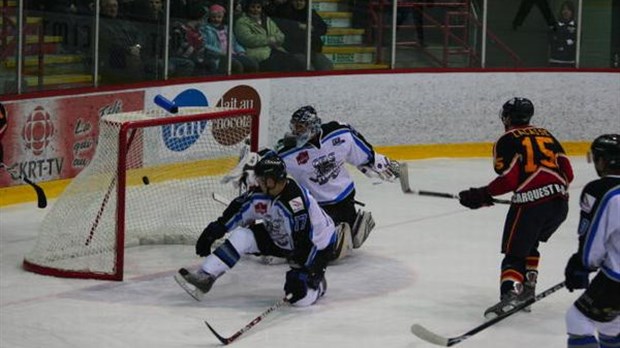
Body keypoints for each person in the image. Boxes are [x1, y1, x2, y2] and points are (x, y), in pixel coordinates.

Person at [230, 106, 401, 262]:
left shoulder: (339, 133)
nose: (296, 132)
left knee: (332, 249)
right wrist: (251, 165)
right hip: (317, 209)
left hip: (345, 200)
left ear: (313, 126)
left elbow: (364, 154)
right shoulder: (289, 151)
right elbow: (268, 162)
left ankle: (350, 227)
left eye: (301, 127)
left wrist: (380, 163)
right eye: (294, 127)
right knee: (315, 246)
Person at [457, 97, 574, 319]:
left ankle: (509, 294)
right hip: (560, 205)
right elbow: (568, 173)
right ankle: (528, 288)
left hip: (531, 206)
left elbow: (509, 180)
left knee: (513, 254)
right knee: (530, 244)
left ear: (507, 117)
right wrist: (544, 193)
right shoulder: (548, 135)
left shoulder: (507, 139)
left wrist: (482, 194)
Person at [175, 154, 335, 307]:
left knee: (300, 299)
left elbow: (304, 243)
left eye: (263, 180)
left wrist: (305, 272)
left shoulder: (295, 203)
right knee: (241, 236)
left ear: (272, 180)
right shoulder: (262, 193)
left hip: (318, 246)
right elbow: (238, 208)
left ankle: (319, 287)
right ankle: (206, 276)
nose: (259, 183)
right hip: (279, 237)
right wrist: (216, 229)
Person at [564, 134, 620, 348]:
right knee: (611, 325)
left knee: (578, 319)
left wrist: (582, 264)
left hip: (616, 278)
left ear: (604, 161)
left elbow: (593, 239)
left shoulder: (600, 190)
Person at [234, 0, 305, 72]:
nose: (256, 10)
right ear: (247, 8)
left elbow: (280, 35)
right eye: (253, 7)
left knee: (294, 62)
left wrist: (275, 39)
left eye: (258, 7)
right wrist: (268, 40)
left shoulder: (267, 20)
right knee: (277, 64)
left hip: (275, 49)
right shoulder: (241, 22)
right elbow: (247, 39)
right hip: (258, 53)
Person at [268, 0, 333, 71]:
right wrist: (297, 25)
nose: (298, 3)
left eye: (301, 1)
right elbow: (278, 24)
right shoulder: (284, 12)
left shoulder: (310, 13)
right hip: (294, 50)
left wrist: (312, 28)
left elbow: (323, 28)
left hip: (312, 50)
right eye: (296, 1)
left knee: (326, 65)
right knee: (307, 68)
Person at [201, 4, 260, 74]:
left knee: (252, 64)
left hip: (233, 54)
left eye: (219, 17)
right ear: (210, 17)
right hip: (217, 57)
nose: (216, 19)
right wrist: (222, 53)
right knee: (237, 65)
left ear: (222, 17)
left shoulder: (227, 29)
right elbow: (205, 45)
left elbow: (235, 43)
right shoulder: (205, 29)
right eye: (213, 17)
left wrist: (241, 51)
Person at [549, 1, 577, 68]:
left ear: (572, 12)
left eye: (568, 9)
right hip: (555, 62)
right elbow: (552, 41)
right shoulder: (555, 26)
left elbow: (576, 43)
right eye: (564, 9)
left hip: (570, 62)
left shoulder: (576, 27)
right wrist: (567, 41)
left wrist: (561, 41)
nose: (566, 12)